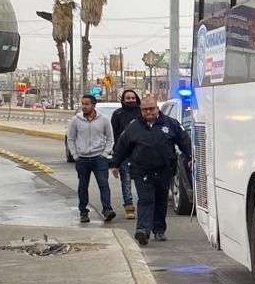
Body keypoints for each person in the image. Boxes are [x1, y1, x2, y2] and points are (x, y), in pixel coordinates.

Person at [111, 95, 189, 246]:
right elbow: (122, 146)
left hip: (164, 170)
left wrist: (190, 156)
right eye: (145, 110)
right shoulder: (134, 127)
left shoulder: (170, 124)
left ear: (157, 108)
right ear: (141, 110)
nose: (148, 112)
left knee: (161, 201)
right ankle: (143, 230)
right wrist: (115, 163)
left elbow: (184, 140)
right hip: (142, 171)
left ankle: (159, 230)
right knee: (146, 200)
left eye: (151, 109)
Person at [66, 93, 117, 224]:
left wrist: (105, 154)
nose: (84, 106)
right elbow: (70, 139)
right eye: (82, 104)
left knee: (104, 185)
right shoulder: (75, 120)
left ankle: (107, 210)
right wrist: (75, 155)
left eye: (87, 104)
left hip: (99, 158)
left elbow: (110, 139)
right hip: (82, 159)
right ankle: (83, 212)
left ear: (93, 105)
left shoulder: (104, 119)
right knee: (83, 186)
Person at [109, 89, 142, 219]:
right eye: (128, 98)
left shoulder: (141, 113)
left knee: (142, 181)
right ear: (123, 100)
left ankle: (143, 205)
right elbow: (114, 135)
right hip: (124, 154)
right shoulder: (117, 114)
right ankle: (129, 207)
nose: (131, 100)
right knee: (126, 181)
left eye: (133, 98)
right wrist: (115, 158)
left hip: (140, 153)